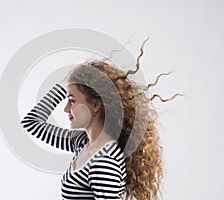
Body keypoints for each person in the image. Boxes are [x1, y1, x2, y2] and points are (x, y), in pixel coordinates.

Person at [21, 51, 181, 199]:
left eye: (72, 101)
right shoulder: (82, 142)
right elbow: (32, 123)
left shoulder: (104, 162)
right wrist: (65, 85)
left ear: (95, 105)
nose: (66, 109)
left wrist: (69, 85)